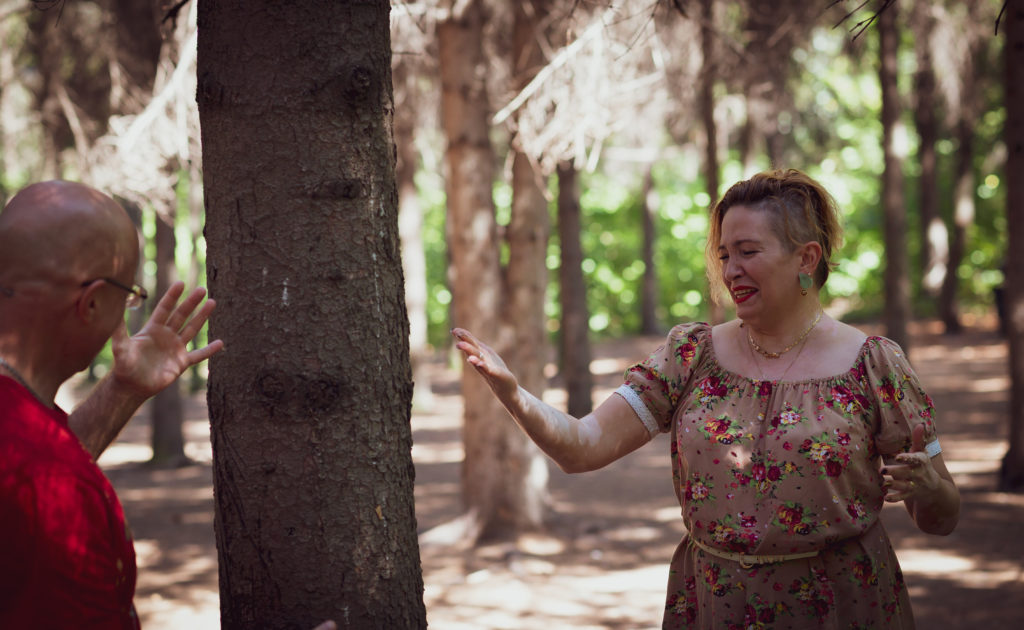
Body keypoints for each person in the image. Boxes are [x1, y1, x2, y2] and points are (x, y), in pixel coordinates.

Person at [452, 168, 960, 629]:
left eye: (748, 251)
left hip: (841, 607)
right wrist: (516, 395)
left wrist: (930, 487)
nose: (730, 269)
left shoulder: (874, 364)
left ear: (806, 257)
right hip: (717, 606)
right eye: (724, 254)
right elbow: (582, 446)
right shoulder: (691, 354)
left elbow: (941, 517)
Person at [0, 181, 224, 628]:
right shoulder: (53, 489)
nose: (126, 311)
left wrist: (123, 391)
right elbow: (43, 486)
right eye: (128, 296)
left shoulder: (30, 448)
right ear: (92, 302)